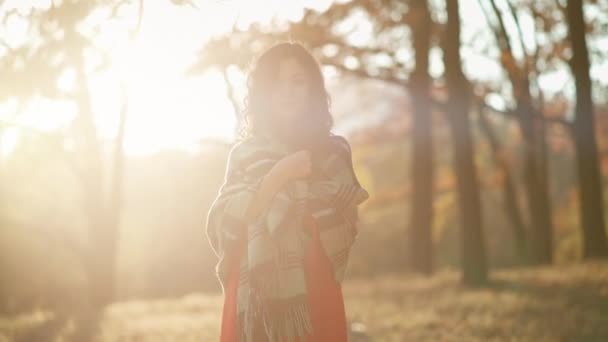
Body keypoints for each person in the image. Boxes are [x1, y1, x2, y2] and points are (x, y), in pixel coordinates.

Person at [206, 41, 369, 342]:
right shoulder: (245, 154)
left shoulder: (333, 152)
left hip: (317, 286)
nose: (288, 90)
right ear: (263, 92)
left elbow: (348, 222)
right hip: (255, 292)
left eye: (298, 81)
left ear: (313, 91)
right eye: (277, 81)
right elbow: (223, 221)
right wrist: (282, 174)